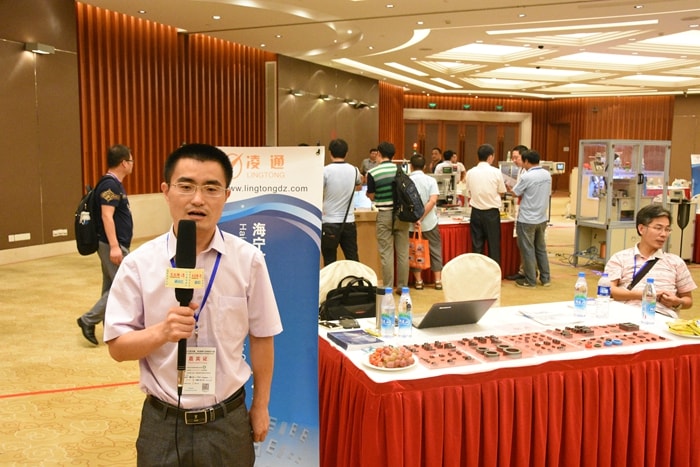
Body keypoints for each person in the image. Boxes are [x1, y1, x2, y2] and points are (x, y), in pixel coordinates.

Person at [103, 143, 282, 466]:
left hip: (227, 420)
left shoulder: (248, 260)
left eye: (211, 188)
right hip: (162, 420)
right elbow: (118, 348)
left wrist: (261, 405)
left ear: (226, 196)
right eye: (186, 186)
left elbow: (262, 336)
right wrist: (162, 332)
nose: (198, 199)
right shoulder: (139, 264)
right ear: (166, 191)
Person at [77, 144, 134, 346]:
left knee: (110, 285)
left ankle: (108, 324)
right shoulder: (110, 186)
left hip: (111, 243)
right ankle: (88, 319)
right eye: (131, 161)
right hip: (112, 244)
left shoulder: (112, 183)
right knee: (124, 284)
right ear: (124, 163)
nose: (132, 164)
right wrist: (115, 246)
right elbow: (107, 216)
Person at [605, 204, 696, 316]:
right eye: (658, 228)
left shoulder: (676, 262)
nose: (664, 234)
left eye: (667, 229)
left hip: (662, 317)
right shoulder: (620, 258)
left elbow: (688, 300)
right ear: (641, 229)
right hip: (626, 315)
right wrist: (647, 294)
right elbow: (608, 289)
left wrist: (677, 302)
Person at [366, 141, 410, 291]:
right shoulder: (401, 170)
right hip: (402, 215)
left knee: (386, 253)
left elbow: (372, 196)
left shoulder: (373, 172)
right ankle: (403, 287)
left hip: (384, 215)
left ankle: (388, 288)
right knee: (403, 253)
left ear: (379, 153)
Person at [511, 150, 552, 288]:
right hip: (542, 218)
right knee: (541, 249)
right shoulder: (547, 174)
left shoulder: (526, 176)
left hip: (527, 219)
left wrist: (509, 188)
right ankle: (546, 278)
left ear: (527, 161)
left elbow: (515, 192)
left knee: (527, 249)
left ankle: (530, 280)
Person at [464, 143, 506, 264]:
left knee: (477, 246)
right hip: (491, 213)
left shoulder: (470, 172)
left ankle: (478, 271)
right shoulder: (496, 172)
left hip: (476, 213)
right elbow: (502, 191)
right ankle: (494, 272)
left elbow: (468, 191)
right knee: (494, 246)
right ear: (490, 157)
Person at [322, 138, 362, 265]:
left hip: (329, 222)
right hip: (349, 221)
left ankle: (332, 280)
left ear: (330, 153)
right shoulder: (355, 170)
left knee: (329, 261)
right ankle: (354, 278)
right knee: (352, 259)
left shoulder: (325, 171)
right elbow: (359, 185)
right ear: (346, 153)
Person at [408, 154, 443, 290]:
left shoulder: (406, 181)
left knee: (414, 251)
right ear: (424, 166)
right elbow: (433, 201)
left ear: (411, 166)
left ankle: (418, 281)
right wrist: (421, 217)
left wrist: (416, 218)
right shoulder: (431, 180)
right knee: (435, 250)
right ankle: (438, 281)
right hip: (430, 223)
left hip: (411, 225)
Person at [505, 144, 529, 281]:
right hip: (521, 207)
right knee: (522, 243)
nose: (514, 160)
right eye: (513, 158)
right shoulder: (520, 170)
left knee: (526, 244)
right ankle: (524, 270)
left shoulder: (528, 173)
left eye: (516, 157)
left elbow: (520, 192)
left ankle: (527, 273)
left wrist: (513, 191)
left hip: (527, 213)